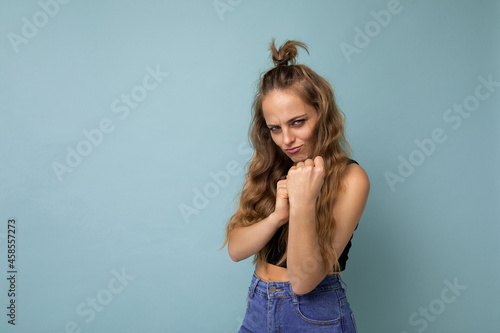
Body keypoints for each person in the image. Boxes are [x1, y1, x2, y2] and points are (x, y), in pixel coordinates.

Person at [220, 39, 370, 332]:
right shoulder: (267, 168)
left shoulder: (351, 179)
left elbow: (303, 281)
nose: (286, 139)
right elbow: (236, 250)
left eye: (298, 122)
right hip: (258, 306)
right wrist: (278, 216)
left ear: (322, 115)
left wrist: (303, 202)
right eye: (275, 128)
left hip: (315, 315)